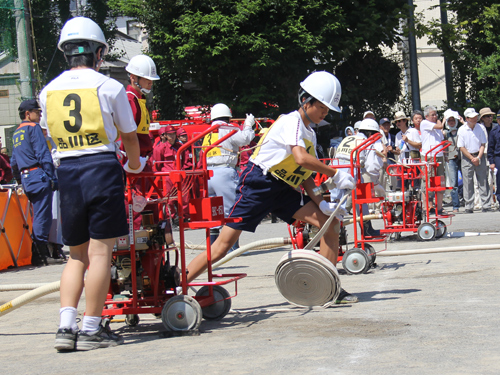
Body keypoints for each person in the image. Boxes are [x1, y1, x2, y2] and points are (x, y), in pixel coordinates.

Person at [187, 71, 358, 303]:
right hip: (259, 184)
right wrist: (335, 173)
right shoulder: (291, 121)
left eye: (328, 110)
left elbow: (305, 176)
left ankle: (329, 289)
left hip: (284, 189)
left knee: (331, 225)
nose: (325, 113)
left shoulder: (310, 134)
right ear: (305, 101)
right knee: (222, 246)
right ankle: (178, 284)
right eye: (322, 107)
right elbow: (300, 158)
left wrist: (322, 203)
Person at [39, 17, 143, 351]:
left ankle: (65, 327)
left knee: (76, 255)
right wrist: (135, 164)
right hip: (101, 168)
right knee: (101, 253)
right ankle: (91, 328)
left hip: (67, 171)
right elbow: (129, 136)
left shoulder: (48, 91)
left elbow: (47, 133)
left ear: (66, 52)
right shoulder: (109, 87)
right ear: (99, 53)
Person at [202, 103, 254, 249]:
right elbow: (245, 139)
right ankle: (232, 247)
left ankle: (212, 247)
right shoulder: (227, 128)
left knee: (213, 212)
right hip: (224, 171)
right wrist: (248, 124)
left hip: (208, 174)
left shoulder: (207, 131)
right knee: (233, 210)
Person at [10, 99, 56, 266]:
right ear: (27, 114)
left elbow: (13, 161)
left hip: (26, 177)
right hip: (38, 175)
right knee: (42, 215)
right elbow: (42, 152)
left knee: (35, 214)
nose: (40, 114)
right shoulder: (33, 128)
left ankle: (39, 252)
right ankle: (40, 254)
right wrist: (51, 176)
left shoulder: (16, 132)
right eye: (37, 111)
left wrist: (19, 179)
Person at [124, 54, 160, 158]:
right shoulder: (130, 100)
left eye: (151, 80)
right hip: (134, 161)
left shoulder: (139, 99)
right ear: (133, 78)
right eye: (146, 79)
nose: (151, 83)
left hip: (141, 159)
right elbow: (127, 137)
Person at [457, 108, 489, 213]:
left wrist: (478, 157)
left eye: (475, 117)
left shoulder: (481, 127)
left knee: (483, 180)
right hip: (467, 156)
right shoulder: (461, 129)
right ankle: (469, 205)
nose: (475, 119)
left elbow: (483, 144)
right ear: (466, 118)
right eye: (472, 117)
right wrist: (471, 158)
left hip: (479, 154)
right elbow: (461, 147)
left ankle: (486, 204)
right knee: (468, 182)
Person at [420, 105, 446, 215]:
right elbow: (440, 126)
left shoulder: (437, 127)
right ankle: (426, 207)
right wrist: (441, 120)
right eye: (432, 115)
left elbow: (441, 137)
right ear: (426, 116)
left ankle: (439, 207)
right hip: (429, 155)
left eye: (436, 115)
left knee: (440, 181)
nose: (435, 117)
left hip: (439, 154)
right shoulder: (425, 123)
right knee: (427, 181)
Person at [443, 109, 464, 213]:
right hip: (451, 158)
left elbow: (468, 128)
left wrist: (462, 121)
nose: (451, 122)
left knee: (467, 181)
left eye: (453, 120)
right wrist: (443, 120)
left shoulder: (461, 130)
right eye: (449, 120)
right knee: (453, 183)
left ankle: (468, 202)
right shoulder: (445, 133)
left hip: (462, 157)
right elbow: (439, 132)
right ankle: (456, 206)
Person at [476, 107, 497, 210]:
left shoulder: (496, 127)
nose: (490, 118)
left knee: (494, 180)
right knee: (484, 180)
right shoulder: (479, 128)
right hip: (483, 154)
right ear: (482, 118)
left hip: (494, 155)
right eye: (487, 116)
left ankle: (495, 201)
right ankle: (484, 202)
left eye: (491, 116)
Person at [379, 117, 396, 191]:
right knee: (382, 183)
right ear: (380, 127)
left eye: (387, 125)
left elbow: (398, 150)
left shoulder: (393, 137)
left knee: (393, 182)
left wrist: (393, 150)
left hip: (391, 162)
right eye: (384, 125)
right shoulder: (377, 137)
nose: (386, 127)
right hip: (381, 163)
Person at [488, 110, 500, 211]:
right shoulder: (494, 131)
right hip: (498, 157)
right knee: (499, 179)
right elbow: (490, 148)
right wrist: (491, 162)